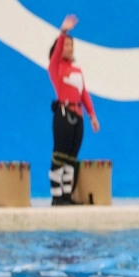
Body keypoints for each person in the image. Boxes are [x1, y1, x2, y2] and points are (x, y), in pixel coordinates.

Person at [48, 14, 100, 205]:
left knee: (71, 158)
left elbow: (83, 93)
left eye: (71, 46)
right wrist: (63, 32)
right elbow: (58, 49)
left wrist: (92, 115)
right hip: (63, 115)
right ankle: (56, 196)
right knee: (59, 155)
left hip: (78, 117)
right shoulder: (55, 68)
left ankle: (67, 195)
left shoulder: (77, 71)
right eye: (66, 45)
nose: (69, 48)